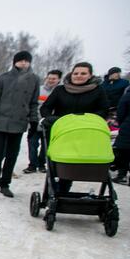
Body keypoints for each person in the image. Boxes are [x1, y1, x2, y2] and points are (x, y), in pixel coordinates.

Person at [41, 62, 110, 193]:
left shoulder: (98, 91)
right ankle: (52, 192)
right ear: (71, 74)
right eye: (76, 73)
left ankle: (63, 190)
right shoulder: (60, 90)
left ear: (90, 75)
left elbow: (103, 110)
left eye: (83, 73)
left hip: (86, 132)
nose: (79, 76)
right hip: (62, 131)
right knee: (57, 163)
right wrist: (50, 118)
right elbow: (46, 107)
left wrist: (87, 120)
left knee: (76, 162)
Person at [0, 51, 40, 198]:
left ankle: (5, 184)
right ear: (15, 62)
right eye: (20, 60)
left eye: (26, 61)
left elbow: (34, 103)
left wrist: (34, 120)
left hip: (19, 124)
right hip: (0, 124)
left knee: (12, 155)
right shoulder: (3, 79)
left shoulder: (34, 80)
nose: (23, 63)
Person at [23, 69, 62, 174]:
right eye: (49, 78)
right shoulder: (38, 90)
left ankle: (41, 164)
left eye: (54, 79)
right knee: (32, 144)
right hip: (35, 122)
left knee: (46, 146)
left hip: (51, 124)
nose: (51, 80)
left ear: (59, 80)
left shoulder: (61, 91)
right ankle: (32, 165)